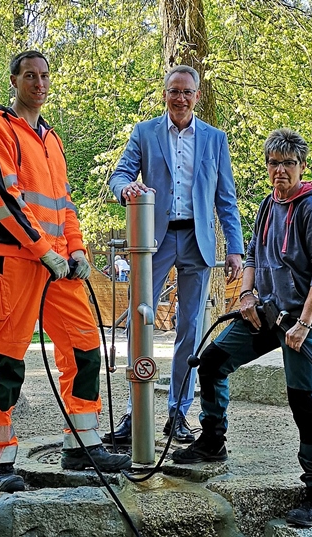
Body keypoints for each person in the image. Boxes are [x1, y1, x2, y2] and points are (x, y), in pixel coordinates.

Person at [0, 50, 131, 493]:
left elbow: (64, 204)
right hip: (16, 262)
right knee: (6, 357)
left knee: (84, 348)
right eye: (30, 76)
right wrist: (44, 251)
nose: (39, 83)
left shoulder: (52, 139)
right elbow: (3, 199)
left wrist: (77, 249)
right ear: (14, 80)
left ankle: (82, 446)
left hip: (61, 266)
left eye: (44, 76)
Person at [172, 129, 312, 527]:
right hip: (267, 311)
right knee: (212, 361)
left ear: (301, 167)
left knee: (304, 400)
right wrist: (245, 295)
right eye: (273, 163)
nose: (279, 170)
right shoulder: (269, 204)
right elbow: (250, 255)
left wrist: (303, 323)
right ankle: (212, 441)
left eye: (287, 164)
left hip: (305, 318)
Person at [106, 65, 244, 444]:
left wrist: (235, 249)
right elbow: (119, 175)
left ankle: (178, 413)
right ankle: (137, 410)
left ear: (196, 96)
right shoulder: (145, 133)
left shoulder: (215, 139)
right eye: (173, 91)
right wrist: (127, 191)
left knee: (190, 328)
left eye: (186, 91)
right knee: (139, 319)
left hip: (198, 240)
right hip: (155, 239)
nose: (179, 98)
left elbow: (226, 200)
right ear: (164, 94)